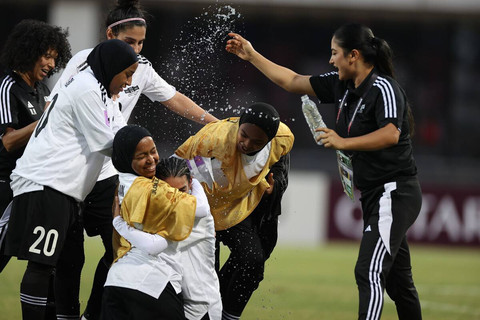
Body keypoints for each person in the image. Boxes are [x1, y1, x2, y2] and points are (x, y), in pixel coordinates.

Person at [226, 23, 422, 320]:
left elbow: (391, 133)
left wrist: (343, 141)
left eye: (335, 53)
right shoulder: (342, 84)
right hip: (373, 195)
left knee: (368, 271)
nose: (331, 60)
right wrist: (252, 55)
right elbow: (292, 81)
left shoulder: (384, 87)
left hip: (394, 192)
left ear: (353, 55)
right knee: (399, 283)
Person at [49, 1, 218, 318]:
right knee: (68, 257)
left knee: (119, 249)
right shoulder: (83, 64)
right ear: (110, 33)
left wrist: (213, 123)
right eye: (130, 42)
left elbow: (174, 98)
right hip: (70, 176)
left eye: (141, 43)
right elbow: (53, 107)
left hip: (107, 177)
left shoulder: (141, 68)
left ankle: (93, 314)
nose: (137, 50)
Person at [3, 39, 138, 320]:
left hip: (65, 190)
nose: (128, 82)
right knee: (41, 265)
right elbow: (105, 143)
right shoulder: (85, 88)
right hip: (46, 184)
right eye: (127, 74)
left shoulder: (100, 93)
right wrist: (148, 160)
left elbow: (119, 135)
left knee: (71, 261)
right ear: (111, 67)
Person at [175, 102, 294, 320]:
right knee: (203, 277)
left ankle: (228, 316)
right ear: (238, 124)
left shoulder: (283, 138)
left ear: (269, 140)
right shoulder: (212, 138)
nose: (247, 144)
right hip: (201, 211)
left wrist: (275, 186)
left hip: (238, 208)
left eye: (257, 142)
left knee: (253, 262)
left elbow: (280, 162)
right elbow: (176, 165)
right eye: (244, 135)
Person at [102, 124, 197, 320]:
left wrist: (119, 223)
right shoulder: (148, 190)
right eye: (140, 156)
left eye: (153, 151)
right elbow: (198, 208)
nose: (151, 159)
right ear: (126, 159)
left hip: (115, 282)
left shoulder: (123, 182)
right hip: (149, 282)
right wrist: (195, 185)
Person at [0, 19, 71, 273]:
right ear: (29, 50)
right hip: (4, 185)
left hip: (29, 184)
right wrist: (44, 121)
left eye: (55, 58)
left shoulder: (41, 90)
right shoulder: (8, 87)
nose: (51, 64)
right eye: (46, 56)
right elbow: (8, 142)